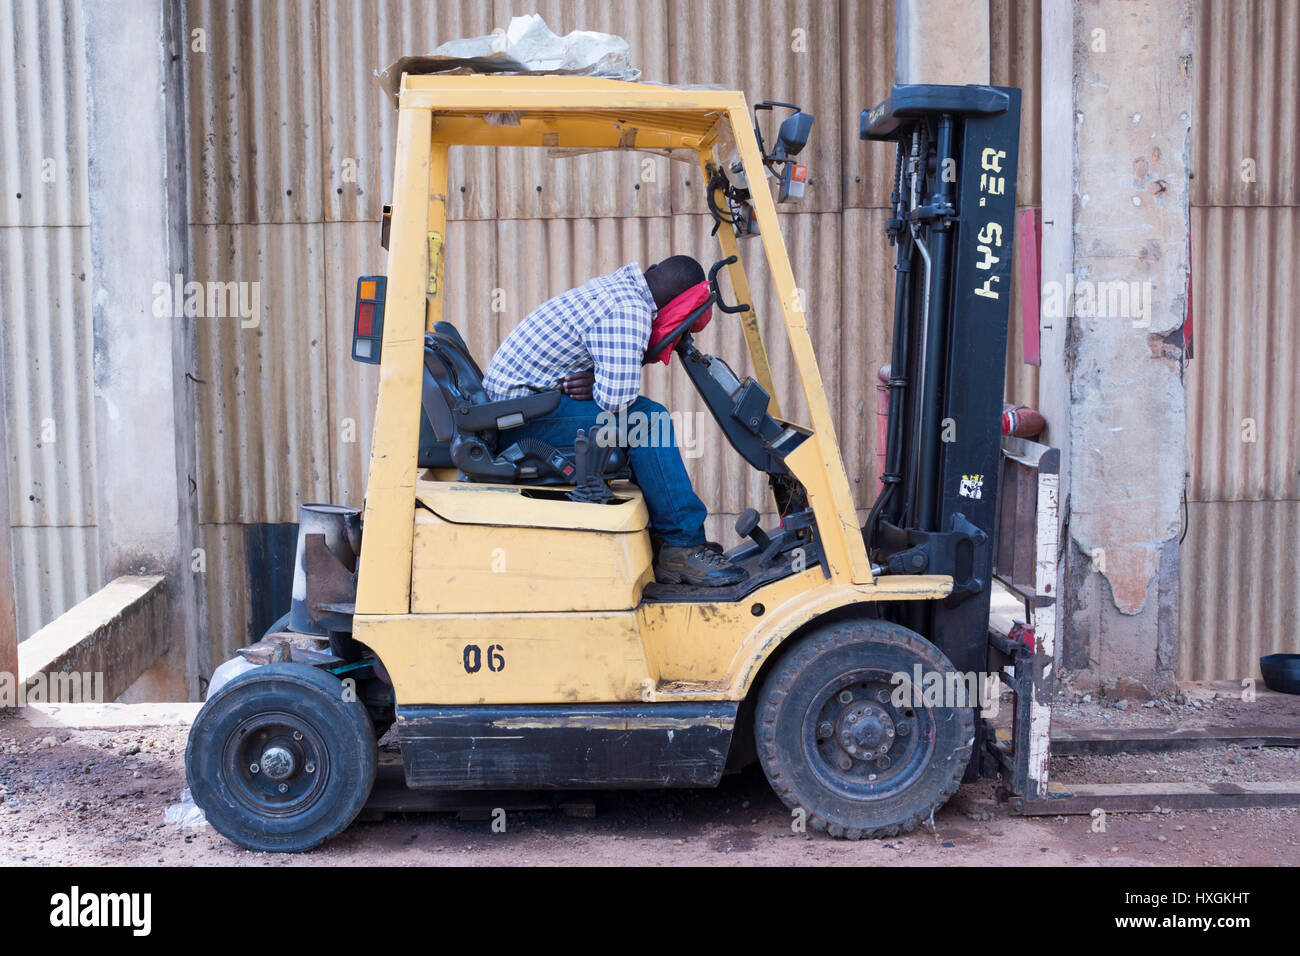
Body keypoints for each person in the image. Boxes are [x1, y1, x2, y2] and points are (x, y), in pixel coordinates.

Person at [483, 256, 746, 587]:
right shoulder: (628, 311)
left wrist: (594, 379)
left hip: (522, 407)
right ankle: (681, 544)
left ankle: (667, 536)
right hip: (519, 422)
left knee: (643, 415)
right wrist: (599, 383)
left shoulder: (621, 289)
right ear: (678, 304)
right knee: (648, 421)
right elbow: (616, 400)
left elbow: (610, 390)